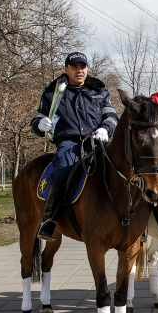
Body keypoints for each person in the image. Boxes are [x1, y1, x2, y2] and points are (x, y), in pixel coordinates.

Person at [31, 52, 119, 241]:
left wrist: (106, 128)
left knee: (119, 171)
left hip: (97, 141)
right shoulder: (53, 92)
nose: (79, 71)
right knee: (63, 169)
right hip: (68, 143)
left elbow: (111, 116)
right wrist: (40, 124)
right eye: (75, 67)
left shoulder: (100, 90)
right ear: (67, 69)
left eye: (83, 67)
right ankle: (50, 219)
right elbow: (38, 117)